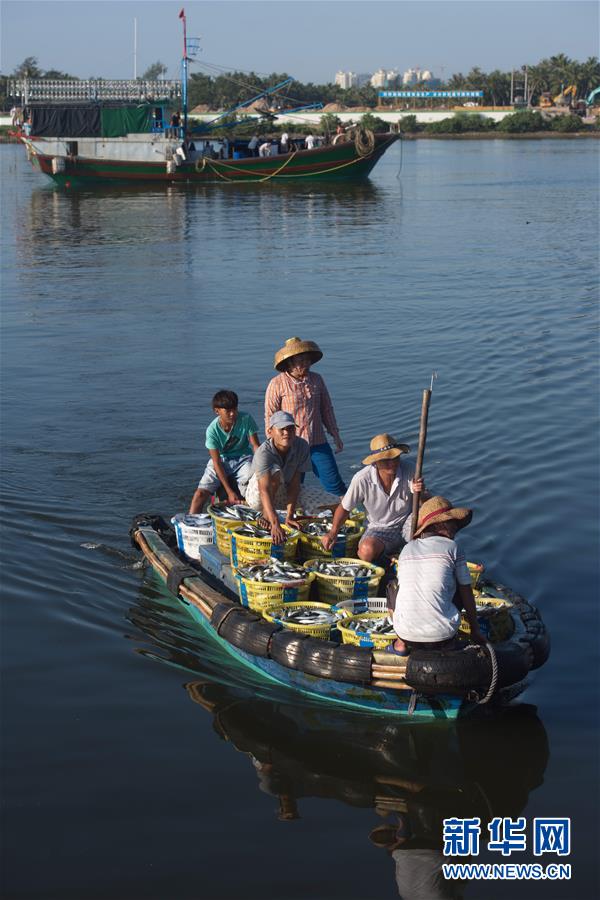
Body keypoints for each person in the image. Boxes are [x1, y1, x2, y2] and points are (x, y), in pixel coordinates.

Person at [389, 496, 486, 655]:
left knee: (392, 586)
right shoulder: (453, 547)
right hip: (443, 637)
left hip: (406, 635)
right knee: (461, 586)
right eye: (451, 522)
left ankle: (400, 643)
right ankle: (447, 645)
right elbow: (466, 592)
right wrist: (475, 630)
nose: (455, 526)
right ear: (440, 524)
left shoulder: (406, 549)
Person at [265, 337, 346, 499]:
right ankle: (291, 517)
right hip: (291, 445)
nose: (305, 364)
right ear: (289, 363)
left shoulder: (317, 379)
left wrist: (335, 435)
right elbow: (270, 416)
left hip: (318, 443)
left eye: (307, 360)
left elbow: (326, 410)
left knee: (335, 484)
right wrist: (273, 445)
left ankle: (345, 516)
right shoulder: (277, 384)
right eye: (300, 360)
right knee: (291, 487)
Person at [322, 434, 423, 562]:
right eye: (386, 460)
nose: (392, 463)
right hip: (379, 529)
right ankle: (389, 557)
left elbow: (425, 503)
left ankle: (403, 552)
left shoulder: (410, 468)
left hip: (408, 523)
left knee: (431, 518)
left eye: (395, 457)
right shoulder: (362, 479)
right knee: (366, 550)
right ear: (375, 462)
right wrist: (333, 532)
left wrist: (420, 492)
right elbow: (345, 508)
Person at [244, 411, 312, 545]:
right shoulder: (263, 452)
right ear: (270, 431)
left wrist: (290, 515)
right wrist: (275, 523)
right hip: (257, 495)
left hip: (283, 492)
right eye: (282, 429)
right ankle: (266, 514)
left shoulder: (302, 446)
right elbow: (263, 489)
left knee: (335, 503)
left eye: (290, 428)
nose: (287, 432)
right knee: (275, 471)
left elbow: (295, 484)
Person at [189, 390, 260, 514]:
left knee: (255, 488)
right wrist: (229, 491)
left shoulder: (246, 419)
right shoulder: (212, 431)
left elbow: (255, 445)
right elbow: (216, 462)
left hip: (243, 459)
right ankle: (190, 524)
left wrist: (261, 465)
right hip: (221, 460)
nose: (233, 414)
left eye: (235, 409)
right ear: (217, 411)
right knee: (199, 495)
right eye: (228, 411)